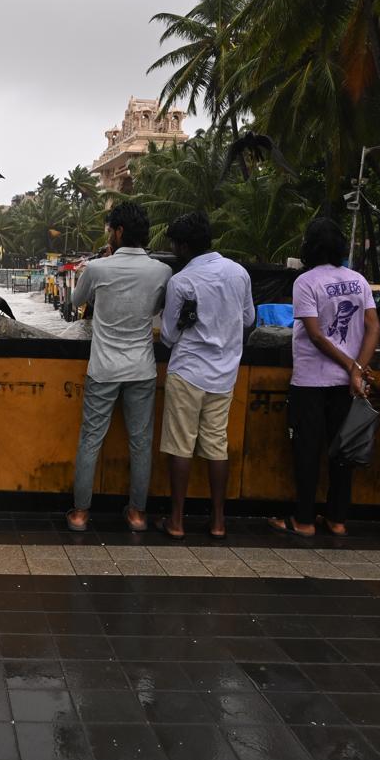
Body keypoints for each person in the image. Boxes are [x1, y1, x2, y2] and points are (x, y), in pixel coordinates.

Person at [65, 202, 171, 533]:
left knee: (91, 439)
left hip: (104, 368)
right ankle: (138, 514)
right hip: (142, 367)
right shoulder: (161, 272)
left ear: (119, 232)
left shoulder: (98, 269)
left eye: (111, 228)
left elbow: (74, 301)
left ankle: (81, 513)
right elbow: (157, 307)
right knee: (140, 442)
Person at [270, 217, 378, 538]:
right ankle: (337, 519)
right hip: (348, 386)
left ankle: (304, 521)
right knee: (342, 453)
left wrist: (351, 366)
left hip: (310, 382)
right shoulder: (359, 281)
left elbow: (316, 336)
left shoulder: (305, 282)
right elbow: (374, 327)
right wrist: (358, 368)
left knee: (307, 451)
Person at [157, 212, 255, 540]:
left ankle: (177, 520)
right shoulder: (238, 273)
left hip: (187, 370)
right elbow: (248, 318)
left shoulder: (181, 281)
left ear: (184, 246)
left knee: (180, 445)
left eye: (174, 244)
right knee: (216, 445)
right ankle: (218, 521)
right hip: (224, 373)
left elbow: (168, 336)